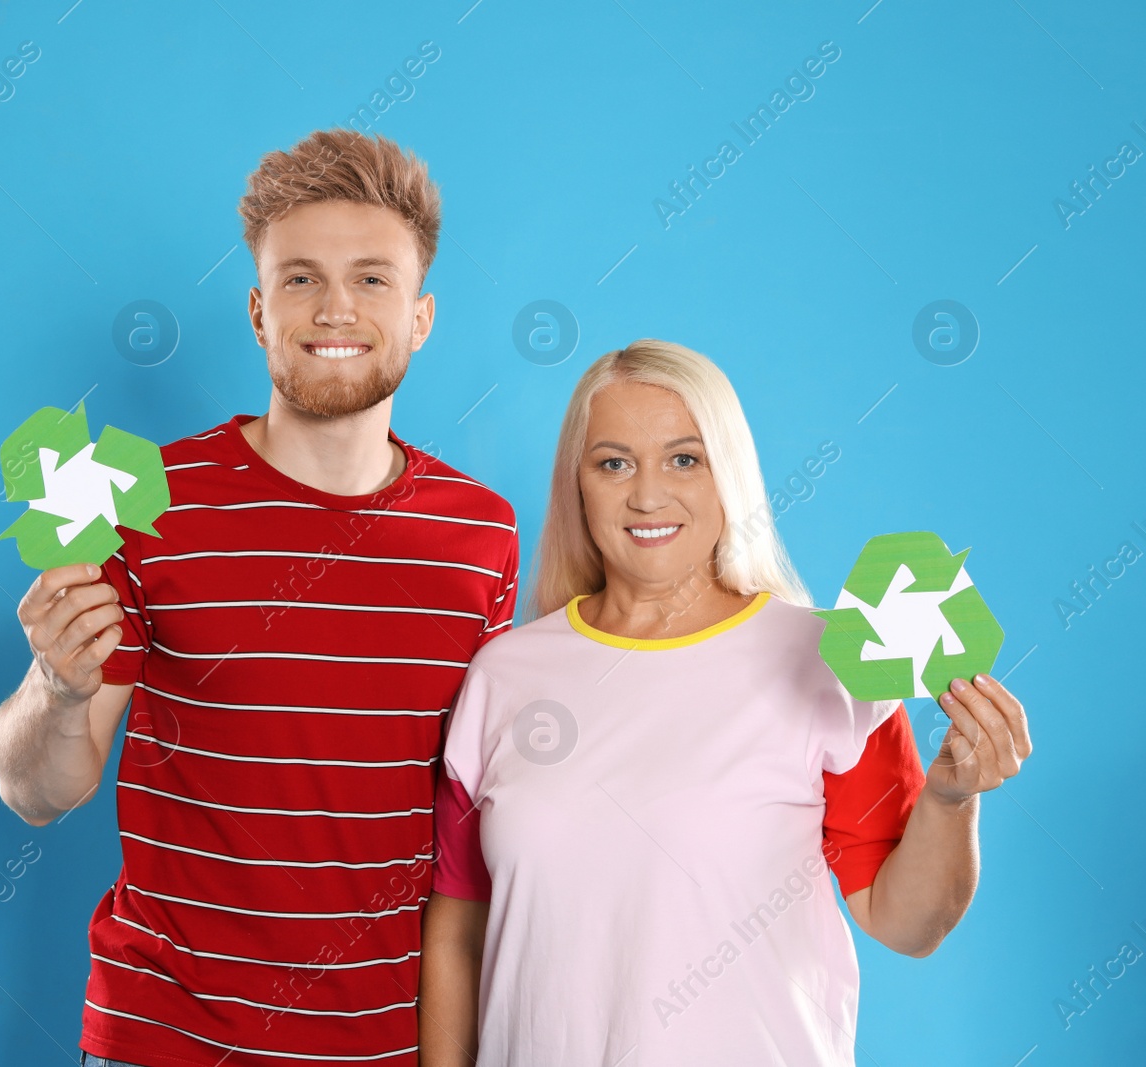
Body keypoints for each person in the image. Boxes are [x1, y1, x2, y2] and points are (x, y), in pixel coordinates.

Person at [0, 129, 520, 1067]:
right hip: (166, 1040)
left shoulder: (481, 533)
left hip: (387, 1046)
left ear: (422, 315)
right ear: (259, 311)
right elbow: (36, 789)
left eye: (373, 278)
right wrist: (55, 690)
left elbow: (473, 833)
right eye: (300, 278)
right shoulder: (142, 502)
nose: (335, 307)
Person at [418, 339, 1032, 1065]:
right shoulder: (504, 676)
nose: (647, 494)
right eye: (613, 462)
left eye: (685, 458)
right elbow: (458, 927)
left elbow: (907, 924)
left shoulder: (833, 665)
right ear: (576, 483)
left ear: (729, 475)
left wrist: (952, 799)